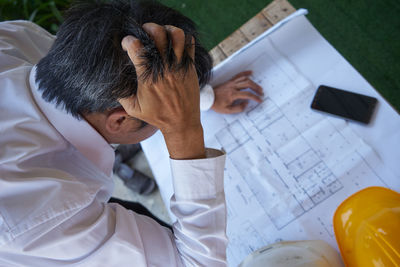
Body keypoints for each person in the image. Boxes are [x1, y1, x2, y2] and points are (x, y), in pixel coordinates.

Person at [0, 0, 263, 266]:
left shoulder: (13, 38)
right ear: (121, 120)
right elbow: (196, 263)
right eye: (162, 121)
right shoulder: (50, 220)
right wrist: (185, 129)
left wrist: (200, 98)